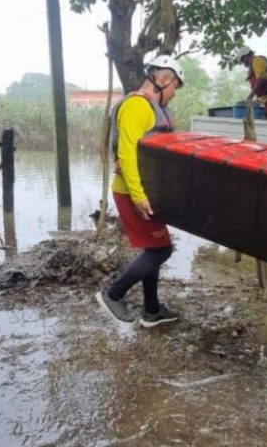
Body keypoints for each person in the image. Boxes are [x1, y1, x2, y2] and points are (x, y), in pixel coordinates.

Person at [97, 55, 185, 328]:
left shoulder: (152, 108)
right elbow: (127, 153)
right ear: (164, 79)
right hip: (132, 192)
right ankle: (113, 295)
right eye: (174, 88)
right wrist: (138, 196)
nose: (173, 94)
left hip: (147, 191)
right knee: (161, 251)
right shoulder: (137, 106)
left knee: (154, 247)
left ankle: (152, 310)